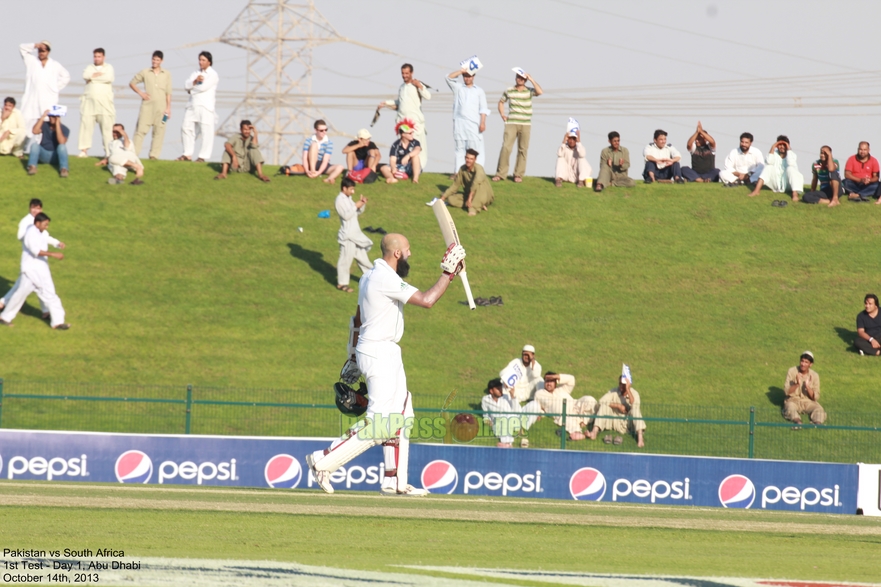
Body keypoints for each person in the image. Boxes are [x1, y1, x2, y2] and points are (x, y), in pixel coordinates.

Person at [305, 233, 466, 496]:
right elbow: (427, 300)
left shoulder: (370, 275)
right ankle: (323, 462)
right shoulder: (385, 278)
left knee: (402, 415)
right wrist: (448, 273)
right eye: (408, 249)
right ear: (397, 253)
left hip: (380, 351)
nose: (411, 254)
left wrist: (353, 357)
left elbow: (357, 318)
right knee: (379, 423)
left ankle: (395, 482)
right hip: (379, 351)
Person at [0, 212, 70, 330]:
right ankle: (5, 317)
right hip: (31, 271)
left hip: (41, 270)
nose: (46, 227)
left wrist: (58, 244)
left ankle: (58, 322)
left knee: (48, 294)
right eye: (45, 224)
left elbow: (47, 238)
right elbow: (35, 251)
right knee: (21, 295)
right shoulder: (30, 233)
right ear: (37, 223)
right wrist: (53, 254)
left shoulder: (42, 232)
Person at [493, 69, 543, 183]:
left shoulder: (529, 90)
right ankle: (501, 173)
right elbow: (501, 102)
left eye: (522, 78)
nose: (520, 79)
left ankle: (518, 174)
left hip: (525, 124)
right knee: (506, 147)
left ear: (525, 79)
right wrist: (502, 114)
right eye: (518, 77)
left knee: (523, 149)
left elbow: (540, 92)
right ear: (515, 78)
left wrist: (531, 79)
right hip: (511, 123)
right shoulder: (509, 90)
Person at [378, 64, 430, 169]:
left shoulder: (416, 84)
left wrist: (419, 85)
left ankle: (416, 168)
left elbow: (428, 96)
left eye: (407, 73)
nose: (404, 75)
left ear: (412, 73)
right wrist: (386, 103)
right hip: (403, 123)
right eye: (403, 73)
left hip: (415, 122)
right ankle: (403, 167)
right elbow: (400, 103)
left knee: (416, 146)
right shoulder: (402, 88)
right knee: (403, 145)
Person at [19, 41, 70, 142]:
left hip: (48, 99)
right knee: (26, 123)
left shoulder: (55, 65)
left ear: (48, 52)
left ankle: (39, 148)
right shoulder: (32, 61)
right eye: (40, 51)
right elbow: (22, 48)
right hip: (32, 98)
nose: (41, 53)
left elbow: (66, 77)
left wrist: (54, 88)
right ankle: (21, 149)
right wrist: (35, 45)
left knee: (44, 124)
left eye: (44, 51)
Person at [130, 51, 172, 159]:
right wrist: (141, 93)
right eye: (153, 59)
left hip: (162, 109)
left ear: (161, 61)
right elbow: (132, 83)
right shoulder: (145, 72)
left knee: (159, 131)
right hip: (147, 107)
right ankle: (133, 155)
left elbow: (168, 92)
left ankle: (154, 156)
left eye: (157, 60)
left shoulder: (166, 74)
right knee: (140, 130)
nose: (155, 62)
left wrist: (168, 108)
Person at [446, 67, 490, 172]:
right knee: (459, 149)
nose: (467, 78)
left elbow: (483, 108)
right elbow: (448, 78)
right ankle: (458, 172)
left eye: (469, 76)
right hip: (459, 123)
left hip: (473, 124)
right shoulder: (458, 87)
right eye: (465, 76)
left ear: (473, 76)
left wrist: (482, 122)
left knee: (474, 149)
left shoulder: (479, 91)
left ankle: (475, 172)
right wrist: (461, 71)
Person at [335, 177, 373, 293]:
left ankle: (373, 280)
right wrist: (355, 206)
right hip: (347, 236)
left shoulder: (349, 199)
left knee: (364, 260)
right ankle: (342, 284)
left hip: (355, 234)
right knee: (345, 260)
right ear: (344, 188)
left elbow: (357, 212)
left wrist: (362, 204)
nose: (353, 192)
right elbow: (345, 216)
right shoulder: (339, 200)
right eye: (351, 189)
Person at [532, 372, 597, 441]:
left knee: (589, 400)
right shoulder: (539, 394)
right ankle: (578, 432)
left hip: (575, 407)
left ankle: (584, 421)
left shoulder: (562, 389)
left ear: (556, 382)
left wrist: (557, 376)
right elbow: (537, 406)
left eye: (551, 381)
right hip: (563, 414)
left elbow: (572, 379)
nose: (548, 384)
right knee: (565, 419)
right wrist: (538, 413)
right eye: (547, 381)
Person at [178, 51, 218, 162]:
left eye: (203, 60)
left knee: (206, 131)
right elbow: (186, 85)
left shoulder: (213, 74)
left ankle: (203, 156)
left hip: (206, 106)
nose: (201, 62)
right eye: (200, 60)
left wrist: (191, 90)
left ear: (209, 62)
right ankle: (187, 154)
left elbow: (202, 88)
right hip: (192, 105)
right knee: (186, 127)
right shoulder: (195, 73)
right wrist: (194, 82)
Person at [587, 374, 646, 447]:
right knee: (603, 407)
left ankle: (640, 438)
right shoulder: (614, 391)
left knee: (635, 411)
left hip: (627, 423)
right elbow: (601, 401)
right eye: (620, 383)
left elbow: (636, 406)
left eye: (623, 384)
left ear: (628, 385)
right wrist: (617, 406)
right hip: (613, 421)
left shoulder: (634, 393)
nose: (620, 386)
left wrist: (628, 389)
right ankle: (594, 432)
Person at [78, 48, 115, 159]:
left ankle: (109, 153)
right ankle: (84, 150)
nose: (97, 58)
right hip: (89, 102)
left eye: (99, 56)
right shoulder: (89, 67)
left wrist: (93, 78)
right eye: (95, 56)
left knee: (107, 129)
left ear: (104, 57)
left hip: (105, 103)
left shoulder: (109, 67)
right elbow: (85, 75)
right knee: (86, 127)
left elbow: (109, 78)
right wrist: (98, 76)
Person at [747, 135, 805, 200]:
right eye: (780, 145)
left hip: (788, 183)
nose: (782, 147)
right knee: (768, 167)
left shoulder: (792, 155)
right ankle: (756, 191)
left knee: (790, 168)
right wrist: (773, 147)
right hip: (776, 183)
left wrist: (788, 149)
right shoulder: (774, 153)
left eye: (784, 145)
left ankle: (795, 195)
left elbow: (791, 163)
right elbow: (768, 161)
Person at [440, 148, 494, 216]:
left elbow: (475, 183)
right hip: (470, 194)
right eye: (467, 158)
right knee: (451, 200)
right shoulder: (462, 169)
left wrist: (470, 197)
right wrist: (444, 197)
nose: (468, 160)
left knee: (479, 185)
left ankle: (473, 208)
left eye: (471, 159)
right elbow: (455, 185)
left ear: (475, 160)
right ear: (465, 158)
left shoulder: (479, 169)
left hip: (484, 194)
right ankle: (478, 204)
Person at [783, 351, 825, 426]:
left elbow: (815, 397)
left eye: (806, 362)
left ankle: (817, 423)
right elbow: (786, 391)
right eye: (802, 361)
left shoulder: (815, 375)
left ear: (810, 364)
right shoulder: (792, 371)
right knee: (789, 408)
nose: (803, 364)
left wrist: (808, 387)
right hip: (793, 401)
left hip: (808, 402)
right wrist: (797, 384)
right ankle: (798, 422)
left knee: (819, 409)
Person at [27, 109, 69, 177]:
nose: (51, 118)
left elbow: (61, 142)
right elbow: (35, 131)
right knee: (34, 145)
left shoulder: (65, 129)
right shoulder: (45, 124)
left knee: (62, 147)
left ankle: (64, 169)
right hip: (43, 154)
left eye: (53, 116)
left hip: (55, 156)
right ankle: (32, 167)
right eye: (50, 116)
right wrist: (43, 117)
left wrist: (57, 123)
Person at [482, 378, 523, 448]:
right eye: (498, 389)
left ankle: (506, 443)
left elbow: (517, 411)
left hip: (512, 421)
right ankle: (508, 444)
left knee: (506, 418)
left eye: (501, 388)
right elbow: (485, 415)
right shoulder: (485, 400)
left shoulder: (506, 396)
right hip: (498, 425)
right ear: (491, 391)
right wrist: (489, 422)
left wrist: (513, 396)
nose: (500, 390)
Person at [379, 119, 421, 184]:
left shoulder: (415, 142)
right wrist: (393, 168)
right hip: (399, 167)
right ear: (403, 134)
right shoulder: (396, 145)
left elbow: (417, 150)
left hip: (410, 167)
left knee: (415, 156)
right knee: (383, 168)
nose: (412, 134)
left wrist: (408, 156)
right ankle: (391, 178)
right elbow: (392, 160)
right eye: (410, 133)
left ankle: (415, 178)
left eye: (412, 132)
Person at [302, 119, 344, 183]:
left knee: (340, 167)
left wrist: (318, 173)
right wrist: (307, 170)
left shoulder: (329, 143)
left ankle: (328, 179)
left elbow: (325, 160)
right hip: (312, 162)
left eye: (326, 130)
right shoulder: (308, 141)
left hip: (322, 165)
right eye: (321, 130)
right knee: (314, 145)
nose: (324, 132)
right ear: (316, 130)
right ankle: (312, 171)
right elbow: (304, 157)